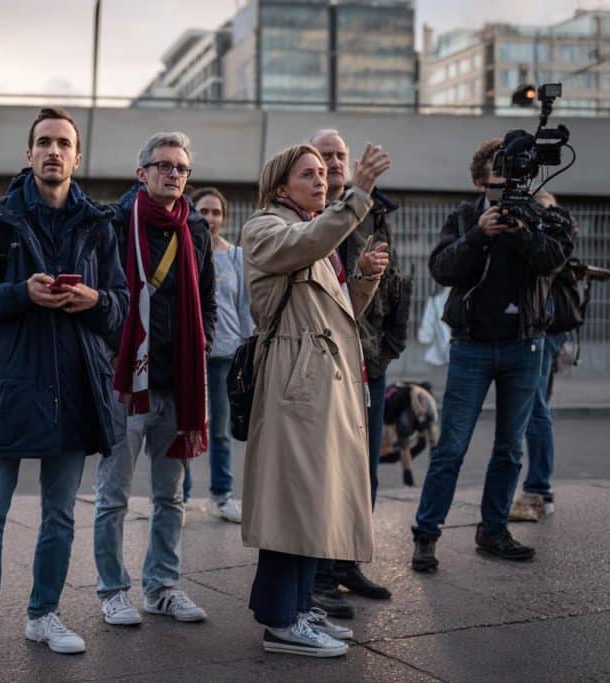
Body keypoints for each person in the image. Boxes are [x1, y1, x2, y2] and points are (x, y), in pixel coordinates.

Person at [0, 108, 128, 672]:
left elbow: (121, 309)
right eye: (43, 142)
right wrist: (22, 292)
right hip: (9, 386)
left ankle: (43, 615)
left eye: (63, 144)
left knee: (60, 516)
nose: (53, 151)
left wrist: (94, 300)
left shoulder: (98, 224)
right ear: (28, 156)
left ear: (78, 157)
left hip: (75, 386)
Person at [241, 142, 391, 657]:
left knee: (311, 502)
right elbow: (303, 245)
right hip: (294, 380)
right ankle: (281, 622)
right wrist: (359, 196)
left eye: (324, 174)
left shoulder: (312, 237)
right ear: (281, 186)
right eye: (309, 174)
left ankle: (298, 607)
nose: (321, 180)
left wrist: (367, 277)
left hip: (315, 379)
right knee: (293, 503)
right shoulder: (266, 228)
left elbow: (337, 313)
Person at [411, 138, 573, 573]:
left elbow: (553, 261)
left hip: (525, 346)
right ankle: (426, 535)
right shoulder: (466, 216)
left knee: (509, 449)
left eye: (513, 172)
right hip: (473, 347)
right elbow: (442, 268)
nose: (506, 180)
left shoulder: (542, 216)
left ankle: (493, 530)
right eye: (497, 173)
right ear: (481, 179)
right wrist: (478, 235)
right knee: (451, 447)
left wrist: (523, 231)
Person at [94, 131, 217, 627]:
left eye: (181, 168)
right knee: (113, 495)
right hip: (126, 382)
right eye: (163, 165)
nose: (173, 174)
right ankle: (112, 590)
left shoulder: (198, 230)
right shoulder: (116, 222)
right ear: (140, 172)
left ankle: (163, 586)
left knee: (171, 495)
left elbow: (206, 298)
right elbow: (100, 294)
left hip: (178, 382)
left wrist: (201, 339)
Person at [308, 129, 409, 613]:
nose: (330, 162)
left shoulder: (376, 211)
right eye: (323, 155)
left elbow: (393, 282)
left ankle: (347, 561)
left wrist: (387, 350)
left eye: (338, 155)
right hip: (326, 365)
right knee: (329, 474)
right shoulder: (310, 214)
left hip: (368, 363)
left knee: (364, 473)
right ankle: (320, 574)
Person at [180, 186, 253, 523]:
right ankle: (178, 496)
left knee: (221, 429)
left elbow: (243, 307)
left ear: (224, 218)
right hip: (190, 353)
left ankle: (221, 496)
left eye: (215, 212)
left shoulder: (237, 256)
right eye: (203, 211)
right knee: (185, 425)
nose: (209, 218)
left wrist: (246, 346)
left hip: (226, 353)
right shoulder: (183, 250)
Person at [509, 190, 574, 521]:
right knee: (537, 406)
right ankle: (539, 488)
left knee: (536, 408)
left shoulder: (549, 230)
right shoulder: (555, 229)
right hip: (545, 327)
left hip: (542, 327)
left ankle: (539, 489)